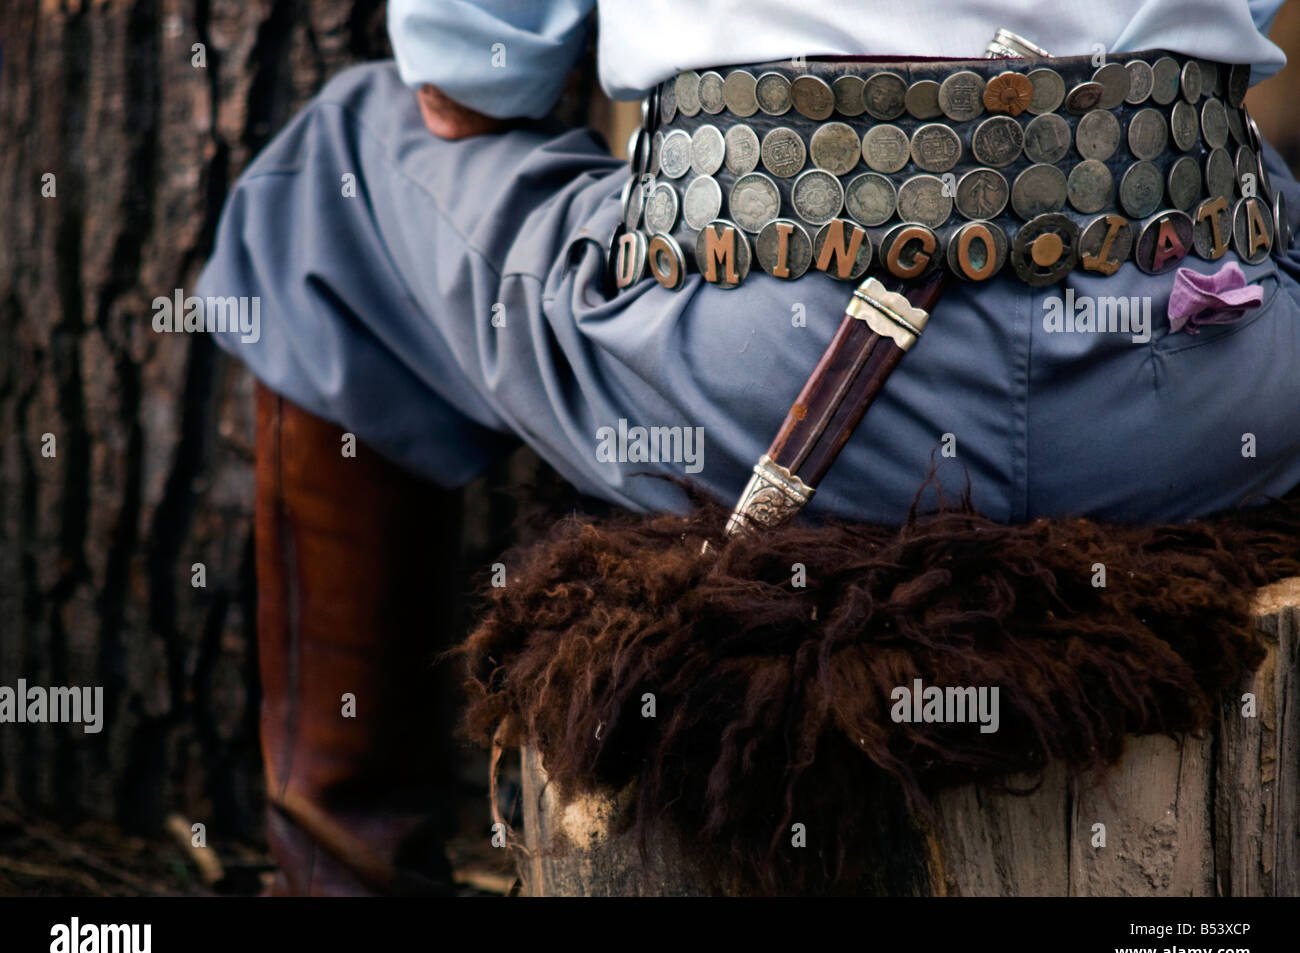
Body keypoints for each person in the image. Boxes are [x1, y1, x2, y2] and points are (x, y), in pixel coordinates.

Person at [196, 0, 1300, 894]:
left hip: (764, 362)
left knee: (339, 164)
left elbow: (469, 77)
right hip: (1186, 371)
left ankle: (345, 874)